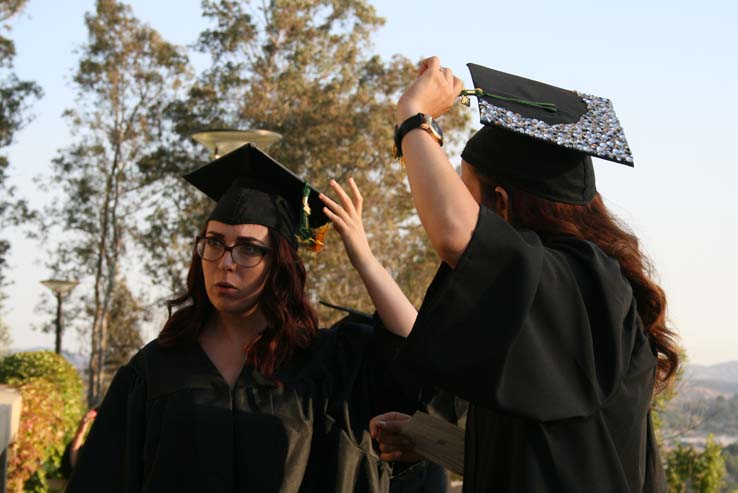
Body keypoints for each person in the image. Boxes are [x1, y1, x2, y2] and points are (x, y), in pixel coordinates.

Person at [369, 58, 680, 492]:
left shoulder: (582, 283)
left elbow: (456, 236)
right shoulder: (565, 302)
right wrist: (434, 441)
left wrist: (414, 118)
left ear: (502, 204)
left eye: (467, 195)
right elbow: (553, 457)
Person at [66, 144, 428, 492]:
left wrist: (363, 257)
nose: (226, 261)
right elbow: (101, 478)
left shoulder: (326, 363)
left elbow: (414, 348)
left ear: (280, 266)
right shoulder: (154, 370)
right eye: (214, 242)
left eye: (249, 248)